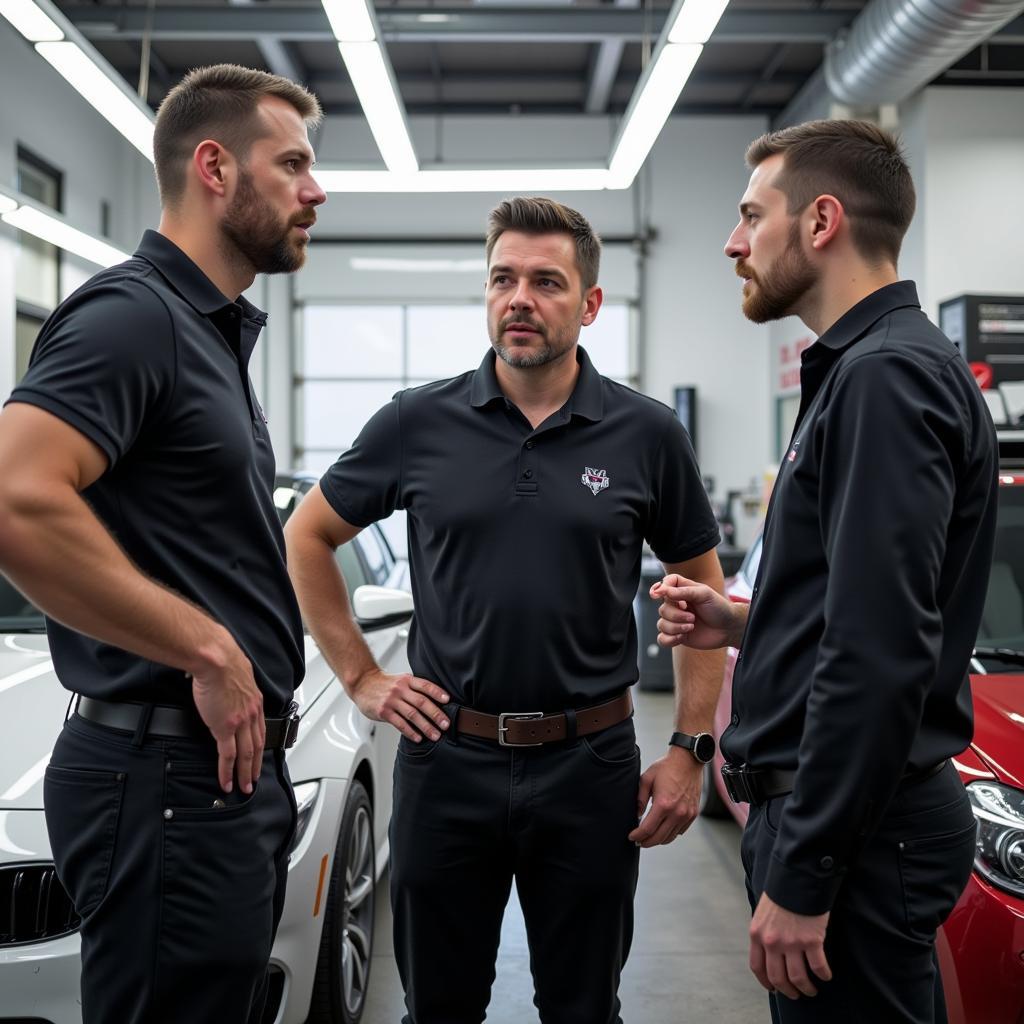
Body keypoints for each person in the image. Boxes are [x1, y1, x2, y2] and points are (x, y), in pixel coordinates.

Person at [285, 196, 725, 1024]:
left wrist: (690, 749)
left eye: (546, 282)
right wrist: (362, 678)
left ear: (590, 304)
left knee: (584, 1008)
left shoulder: (647, 434)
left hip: (590, 766)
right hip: (447, 762)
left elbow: (702, 599)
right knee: (438, 1008)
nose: (519, 298)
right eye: (502, 279)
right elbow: (306, 535)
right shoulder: (416, 423)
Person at [0, 64, 327, 1024]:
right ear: (215, 167)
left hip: (210, 780)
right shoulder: (135, 315)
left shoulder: (206, 331)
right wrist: (208, 648)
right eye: (293, 164)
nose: (316, 190)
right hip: (166, 779)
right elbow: (15, 499)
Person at [654, 119, 998, 1023]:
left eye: (750, 215)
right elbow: (859, 601)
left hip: (856, 842)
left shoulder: (884, 378)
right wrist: (747, 622)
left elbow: (879, 650)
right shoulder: (865, 371)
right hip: (852, 829)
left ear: (821, 221)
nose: (733, 243)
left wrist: (807, 873)